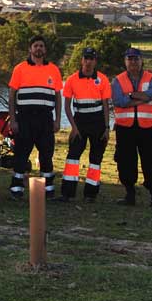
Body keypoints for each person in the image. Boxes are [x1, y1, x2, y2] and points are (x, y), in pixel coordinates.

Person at [7, 35, 62, 200]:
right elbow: (11, 95)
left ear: (45, 50)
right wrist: (13, 120)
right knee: (21, 155)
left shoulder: (53, 69)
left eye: (41, 46)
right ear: (30, 49)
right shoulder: (20, 68)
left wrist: (58, 120)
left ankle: (48, 189)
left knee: (46, 154)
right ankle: (17, 189)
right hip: (24, 118)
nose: (39, 48)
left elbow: (58, 96)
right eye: (35, 46)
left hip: (45, 119)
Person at [111, 48, 152, 208]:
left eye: (136, 59)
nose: (133, 62)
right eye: (130, 59)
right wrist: (141, 97)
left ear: (141, 61)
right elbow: (119, 101)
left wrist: (130, 96)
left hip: (147, 128)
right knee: (126, 162)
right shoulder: (117, 81)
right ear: (125, 61)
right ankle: (129, 195)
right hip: (125, 128)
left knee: (151, 161)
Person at [57, 47, 111, 203]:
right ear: (81, 60)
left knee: (96, 160)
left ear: (95, 61)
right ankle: (67, 193)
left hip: (98, 122)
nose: (88, 61)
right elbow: (67, 106)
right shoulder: (72, 79)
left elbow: (106, 105)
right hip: (79, 122)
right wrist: (73, 127)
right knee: (73, 157)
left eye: (91, 59)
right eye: (86, 58)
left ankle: (91, 194)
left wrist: (107, 128)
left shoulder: (103, 79)